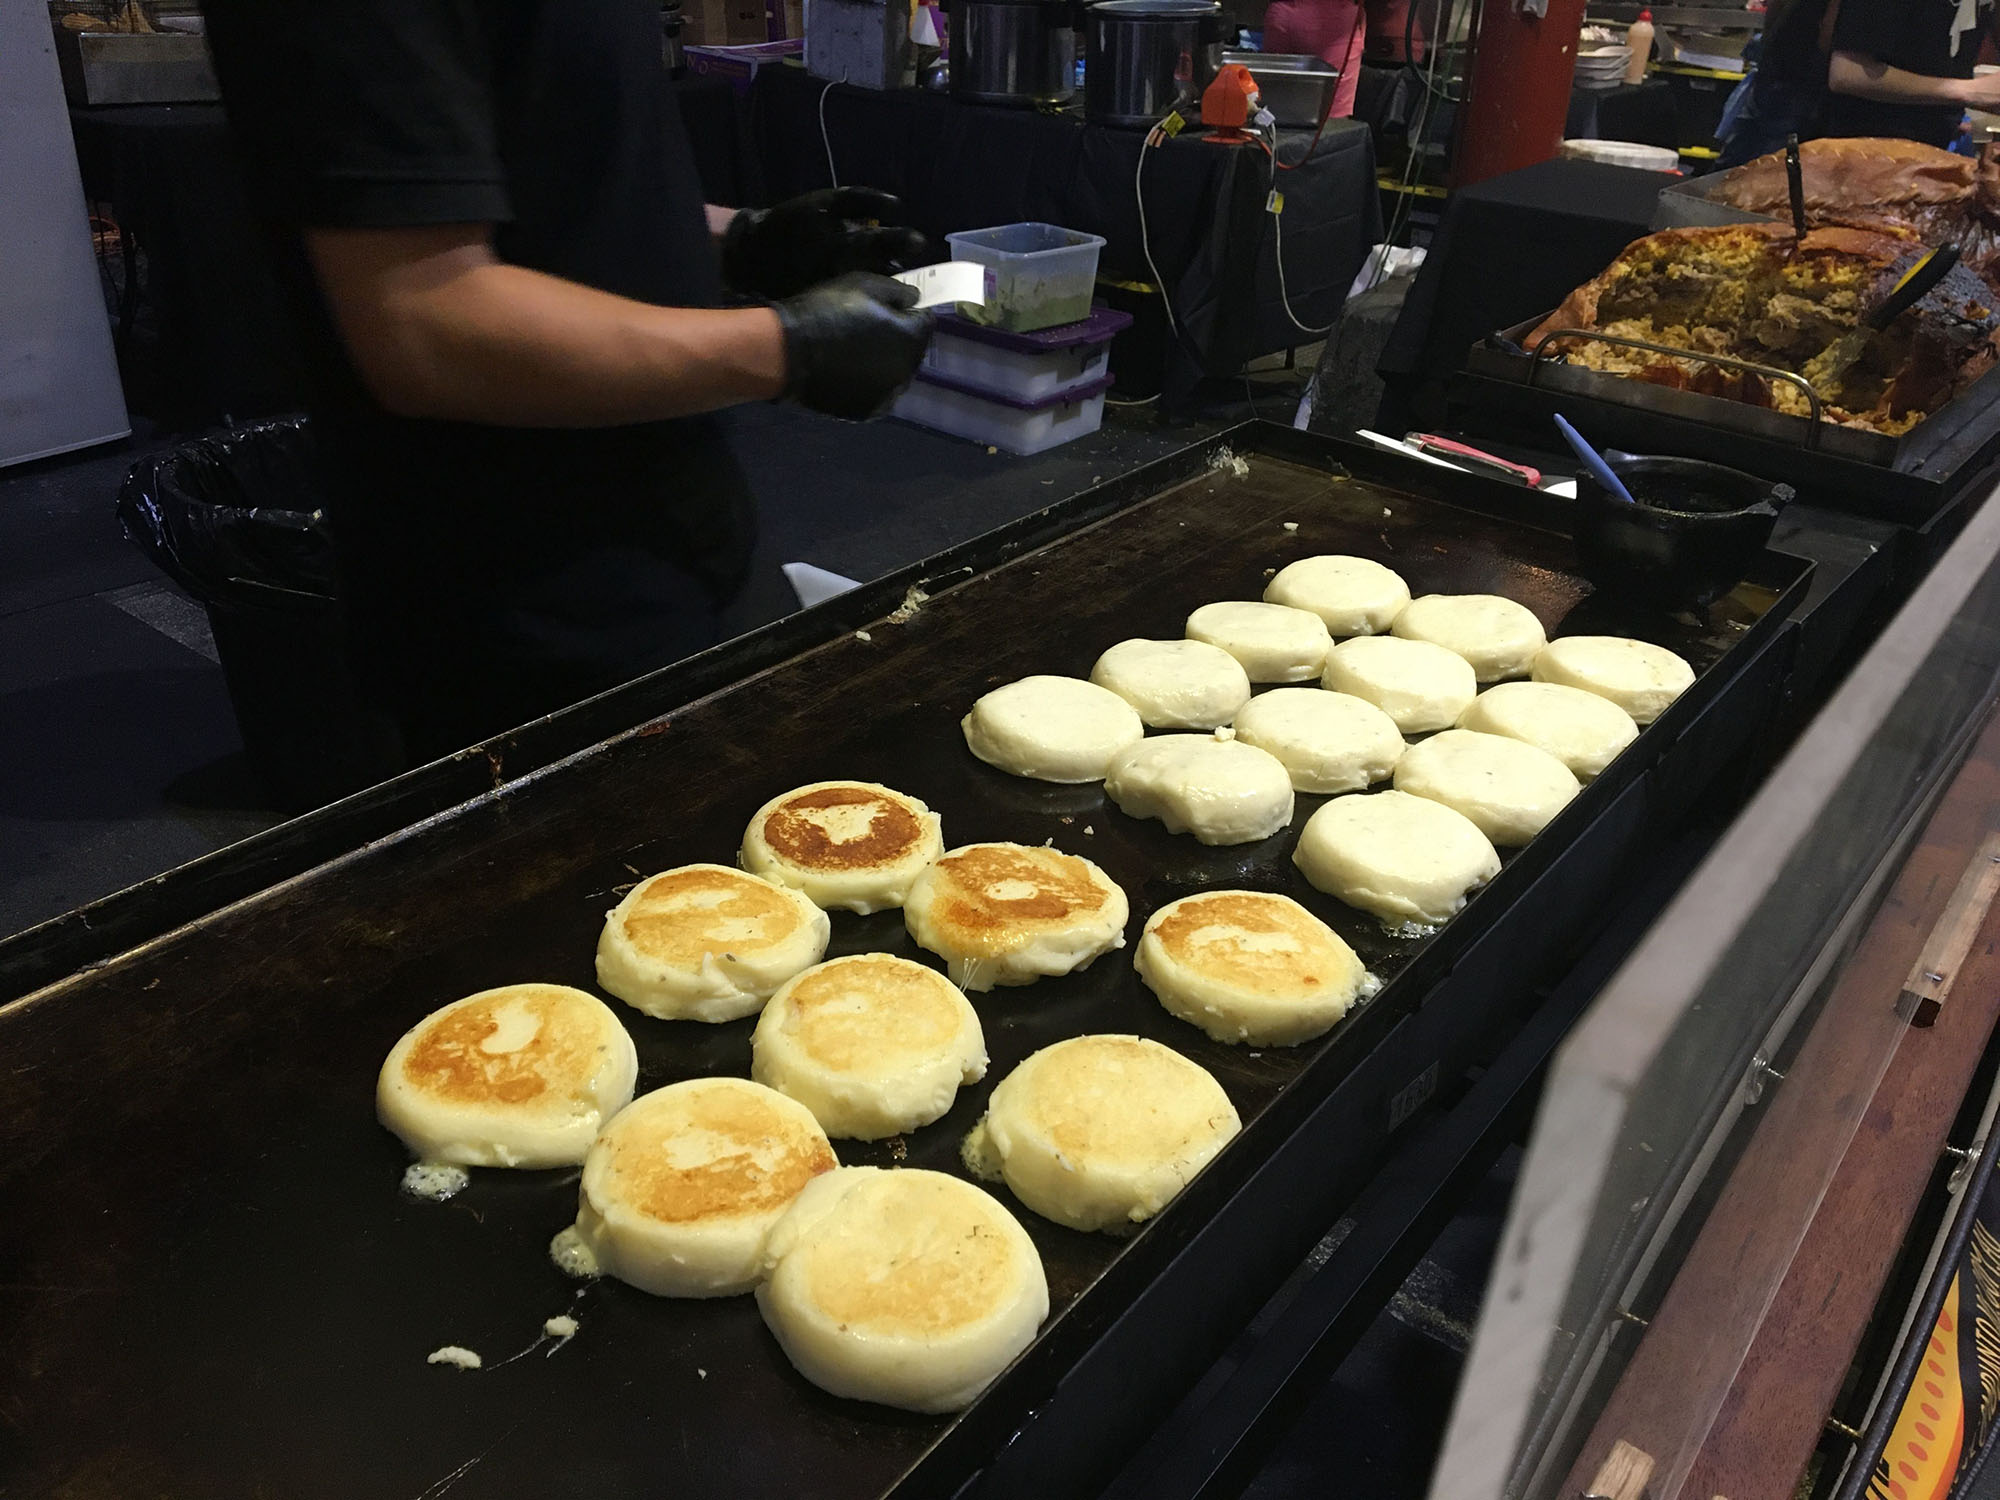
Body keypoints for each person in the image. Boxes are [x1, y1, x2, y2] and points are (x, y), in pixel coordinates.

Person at [200, 0, 935, 765]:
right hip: (522, 607)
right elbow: (423, 319)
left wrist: (738, 240)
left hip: (671, 535)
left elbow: (556, 172)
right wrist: (788, 349)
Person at [1722, 0, 2000, 165]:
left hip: (1912, 147)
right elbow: (1848, 73)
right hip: (1827, 135)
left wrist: (1954, 112)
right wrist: (1967, 92)